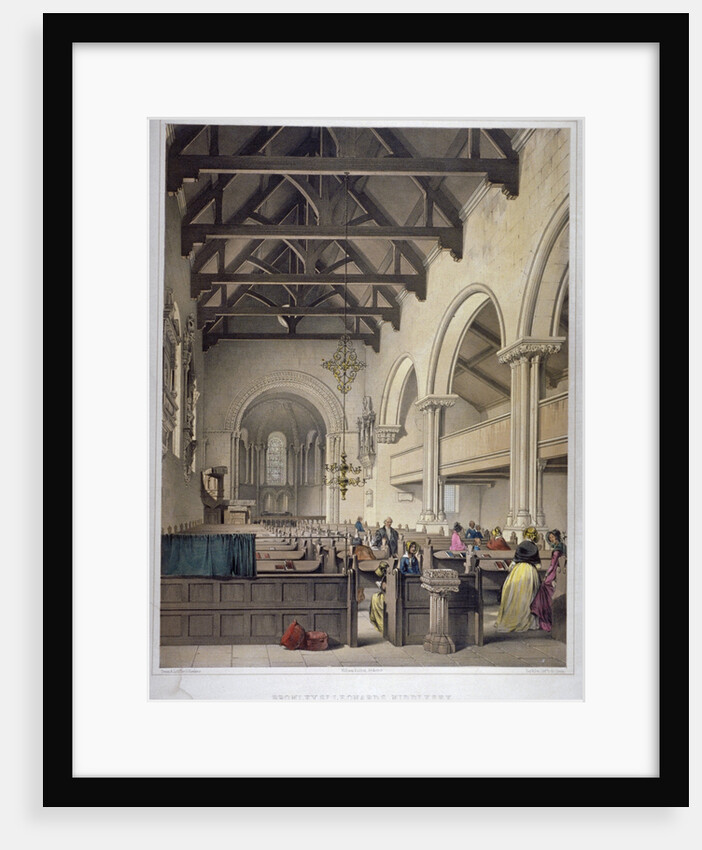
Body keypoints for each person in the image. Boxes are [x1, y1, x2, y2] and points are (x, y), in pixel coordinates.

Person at [495, 540, 542, 632]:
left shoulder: (521, 548)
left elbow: (511, 567)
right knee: (529, 597)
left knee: (513, 596)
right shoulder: (533, 549)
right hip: (530, 573)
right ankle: (530, 622)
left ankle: (515, 618)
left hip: (517, 573)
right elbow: (539, 566)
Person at [530, 530, 566, 632]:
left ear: (557, 537)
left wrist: (546, 575)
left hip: (555, 572)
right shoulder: (562, 546)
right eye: (550, 538)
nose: (551, 539)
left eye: (553, 537)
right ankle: (544, 617)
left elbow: (552, 565)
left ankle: (545, 618)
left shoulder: (558, 548)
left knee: (544, 587)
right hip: (558, 570)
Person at [369, 561, 389, 632]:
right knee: (375, 598)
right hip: (384, 591)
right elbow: (378, 573)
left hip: (390, 594)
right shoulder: (384, 574)